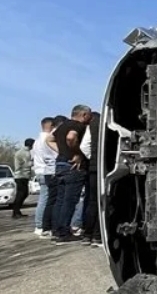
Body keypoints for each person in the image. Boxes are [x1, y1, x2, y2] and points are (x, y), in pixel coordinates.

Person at [47, 105, 92, 245]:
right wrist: (76, 153)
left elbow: (48, 139)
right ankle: (64, 232)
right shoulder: (78, 126)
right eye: (89, 116)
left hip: (60, 165)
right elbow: (71, 137)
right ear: (84, 114)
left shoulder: (62, 125)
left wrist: (62, 151)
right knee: (69, 201)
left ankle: (56, 230)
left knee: (60, 200)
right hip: (73, 167)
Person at [31, 117, 58, 237]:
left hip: (39, 170)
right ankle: (41, 225)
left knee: (44, 198)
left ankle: (39, 224)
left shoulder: (37, 141)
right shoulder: (48, 139)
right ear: (51, 126)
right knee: (46, 199)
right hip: (47, 170)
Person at [80, 111, 103, 247]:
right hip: (105, 167)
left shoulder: (92, 125)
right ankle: (97, 235)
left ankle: (87, 235)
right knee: (104, 202)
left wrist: (92, 158)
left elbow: (84, 146)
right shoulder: (106, 122)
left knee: (92, 202)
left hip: (93, 168)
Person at [11, 138, 33, 218]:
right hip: (22, 175)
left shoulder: (21, 152)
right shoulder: (25, 153)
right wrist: (34, 162)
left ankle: (17, 211)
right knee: (21, 194)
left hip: (20, 176)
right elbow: (27, 164)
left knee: (22, 193)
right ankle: (15, 212)